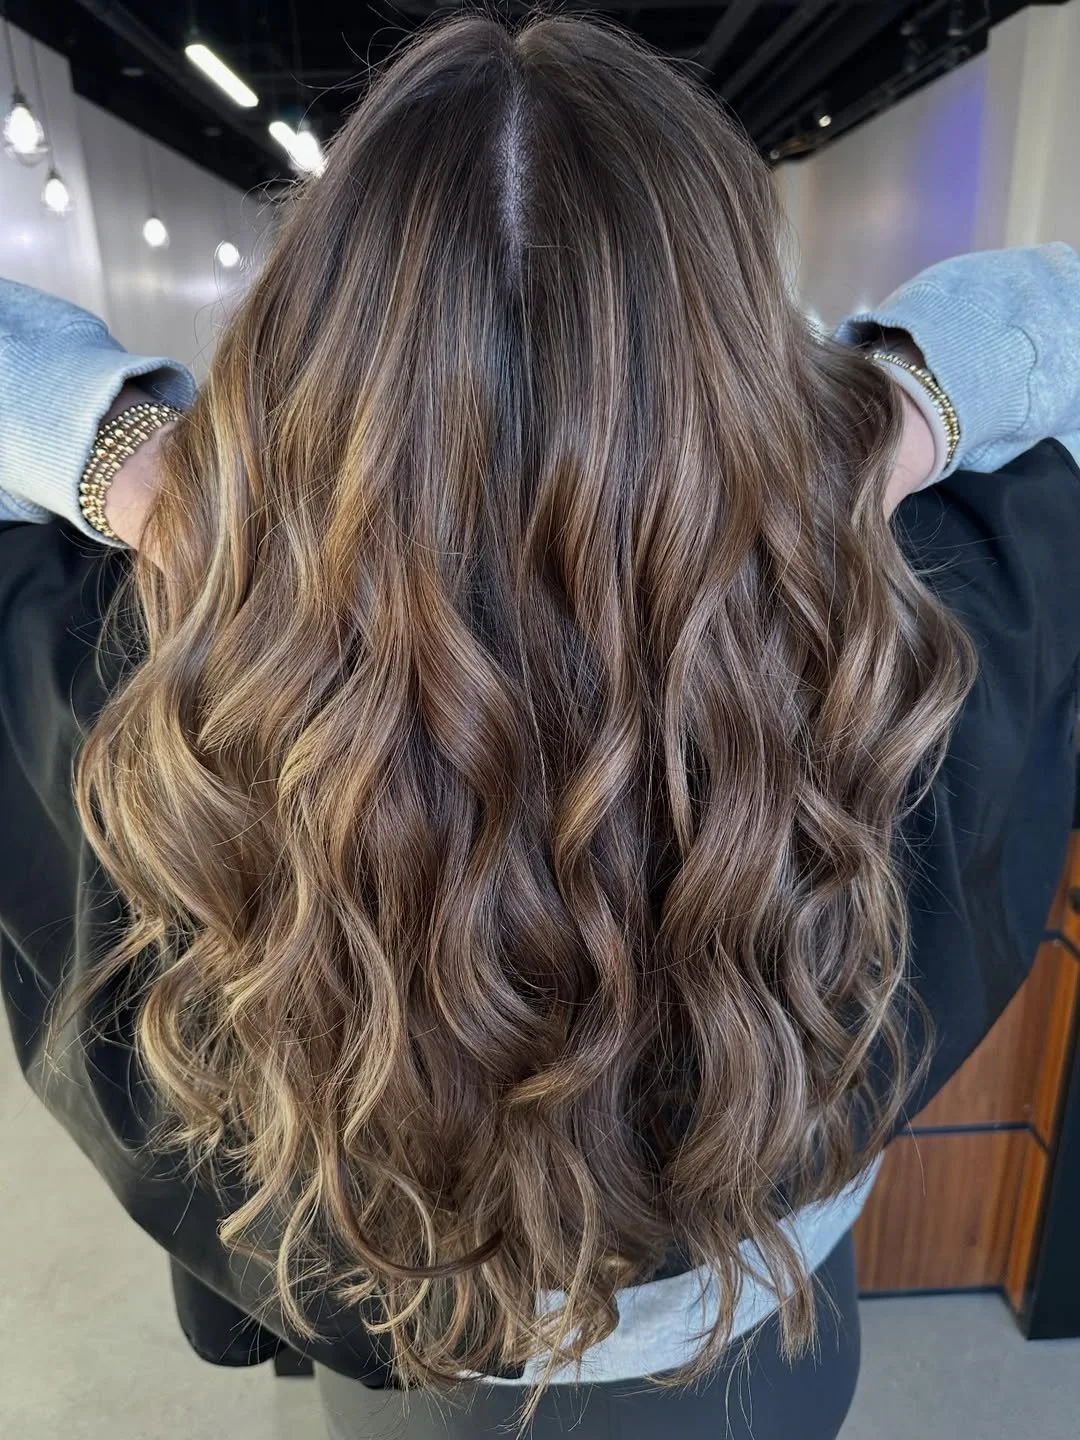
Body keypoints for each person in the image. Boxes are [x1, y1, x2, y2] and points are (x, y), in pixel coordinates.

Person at [2, 13, 1079, 1440]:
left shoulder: (156, 672)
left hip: (405, 1335)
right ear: (746, 350)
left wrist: (126, 455)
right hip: (754, 1331)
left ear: (305, 348)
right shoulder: (915, 623)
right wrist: (902, 411)